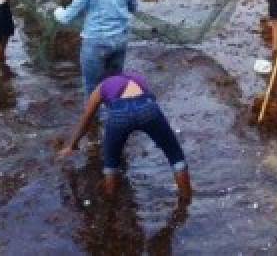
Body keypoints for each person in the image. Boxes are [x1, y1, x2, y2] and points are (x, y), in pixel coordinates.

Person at [58, 72, 192, 199]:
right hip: (147, 108)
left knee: (111, 165)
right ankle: (185, 200)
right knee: (176, 157)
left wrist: (72, 144)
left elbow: (86, 120)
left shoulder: (102, 86)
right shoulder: (138, 77)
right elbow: (151, 100)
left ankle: (110, 204)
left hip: (119, 114)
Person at [54, 0, 138, 100]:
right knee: (116, 84)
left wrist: (57, 11)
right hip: (120, 40)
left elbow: (67, 17)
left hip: (95, 43)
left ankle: (93, 122)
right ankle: (115, 116)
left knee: (92, 86)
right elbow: (133, 8)